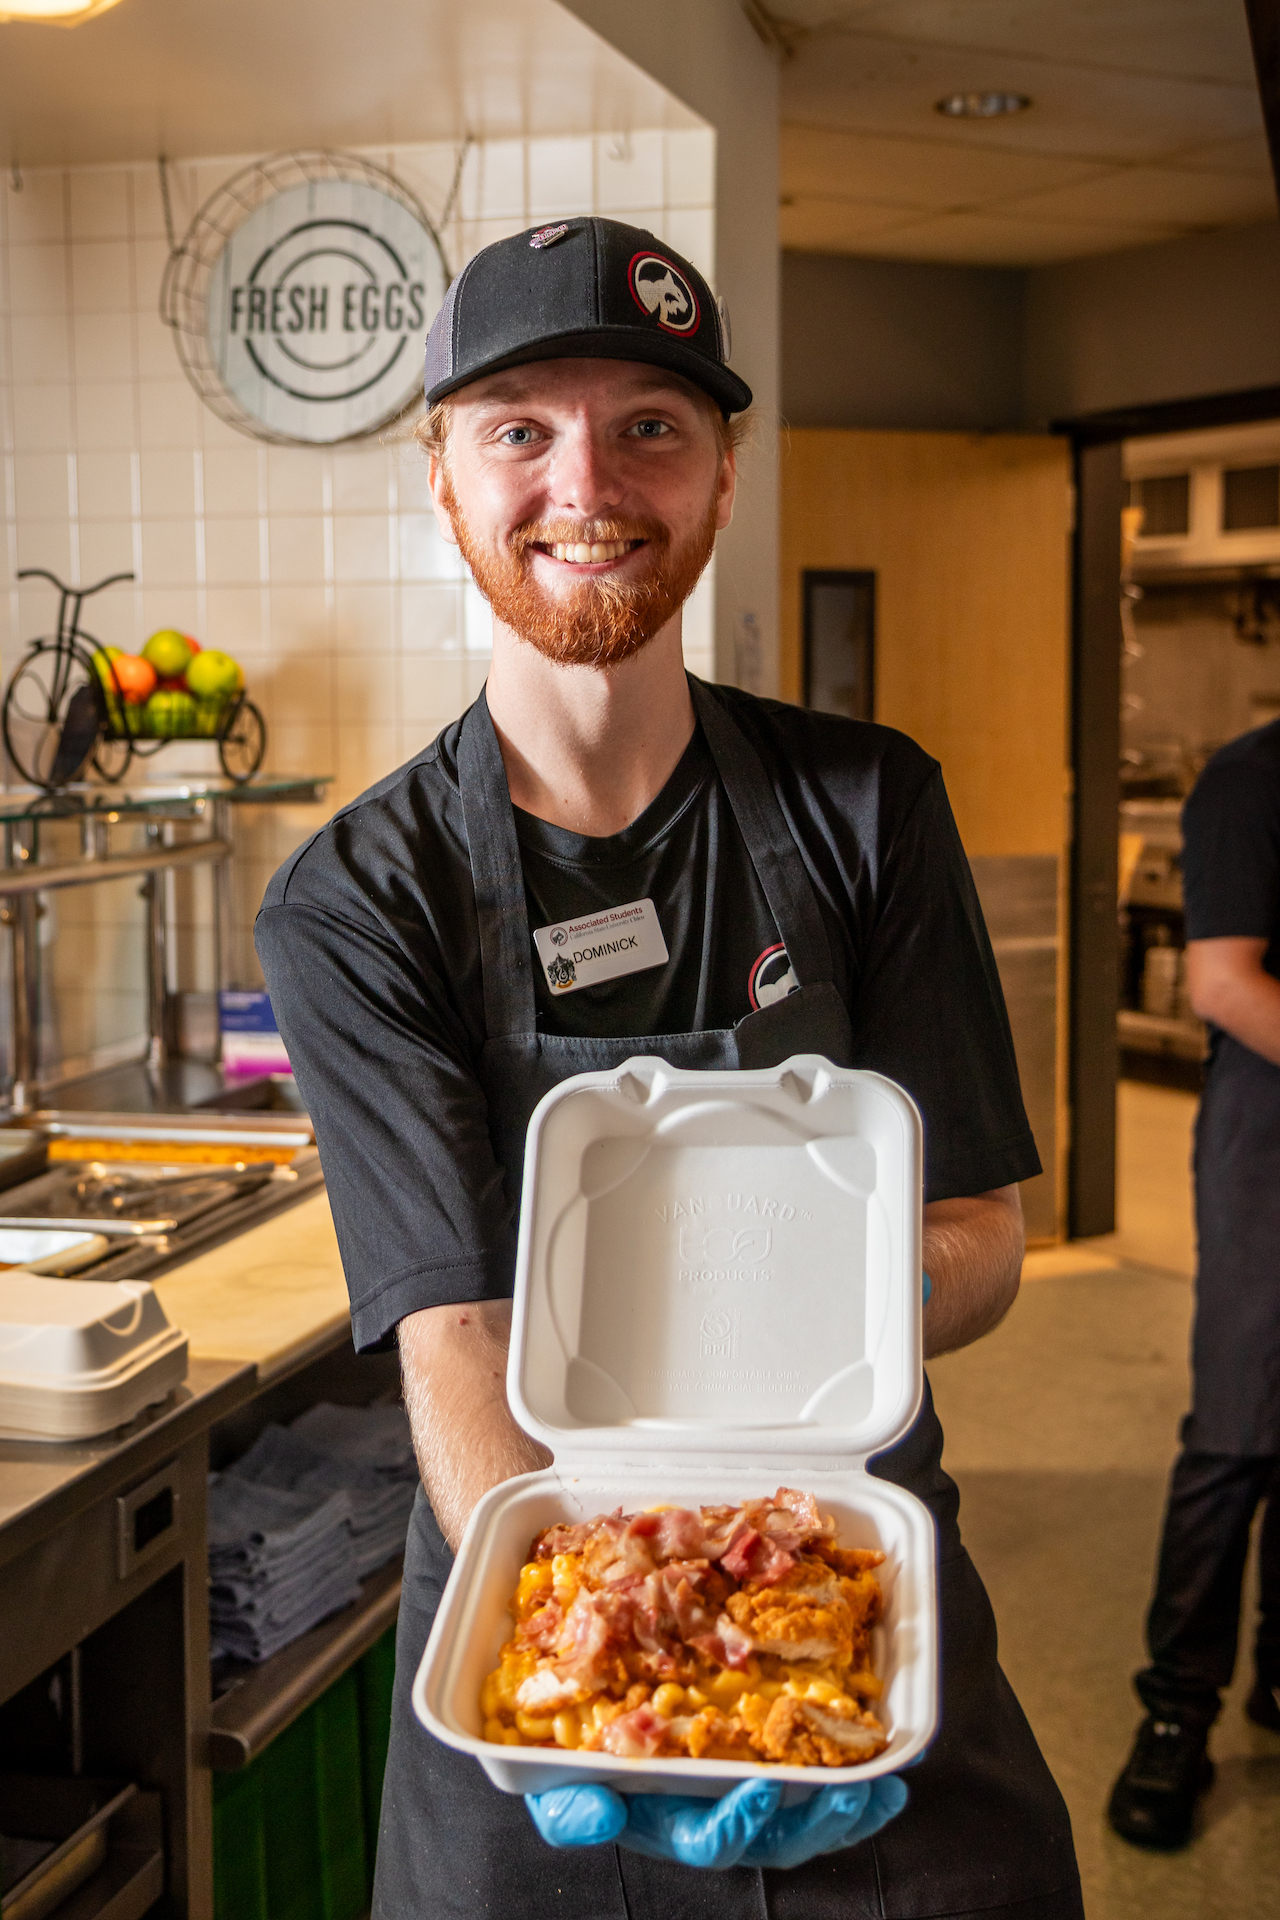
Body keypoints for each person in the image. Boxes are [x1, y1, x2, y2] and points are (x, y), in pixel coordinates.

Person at [257, 217, 1084, 1919]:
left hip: (853, 1576)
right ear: (442, 478)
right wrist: (604, 1660)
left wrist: (799, 1322)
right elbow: (462, 1333)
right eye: (518, 430)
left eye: (652, 425)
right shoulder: (353, 899)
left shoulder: (870, 808)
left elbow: (984, 1234)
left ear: (722, 477)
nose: (588, 482)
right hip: (535, 1616)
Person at [1108, 717, 1280, 1851]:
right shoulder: (1249, 781)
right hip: (1268, 1149)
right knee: (1237, 1430)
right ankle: (1173, 1716)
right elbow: (1222, 983)